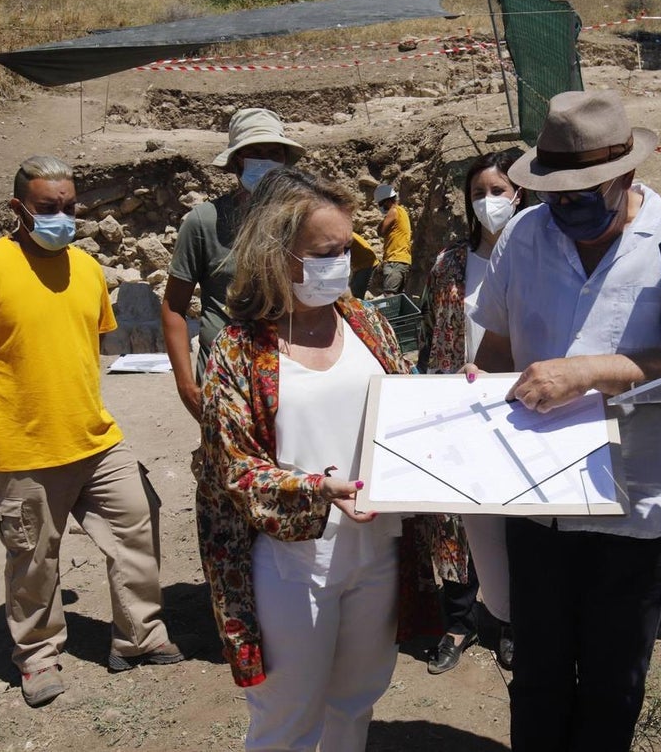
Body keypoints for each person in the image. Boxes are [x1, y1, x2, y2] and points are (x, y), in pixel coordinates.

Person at [467, 90, 661, 750]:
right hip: (536, 503)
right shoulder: (524, 236)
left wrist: (586, 371)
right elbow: (496, 351)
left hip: (633, 506)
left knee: (613, 689)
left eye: (585, 190)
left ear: (627, 175)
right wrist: (468, 409)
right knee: (536, 679)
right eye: (556, 191)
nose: (567, 204)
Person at [0, 156, 182, 709]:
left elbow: (84, 345)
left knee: (137, 522)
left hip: (94, 438)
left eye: (70, 207)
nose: (63, 218)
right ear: (19, 209)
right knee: (34, 558)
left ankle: (139, 637)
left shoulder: (88, 269)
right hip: (21, 450)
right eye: (49, 209)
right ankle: (38, 657)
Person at [196, 167, 434, 751]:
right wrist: (315, 491)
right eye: (325, 253)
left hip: (376, 553)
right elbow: (234, 466)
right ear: (277, 255)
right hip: (293, 564)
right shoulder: (241, 348)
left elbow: (405, 408)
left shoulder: (368, 324)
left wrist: (458, 395)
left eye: (346, 248)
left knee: (355, 701)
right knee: (288, 717)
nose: (342, 264)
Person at [416, 150, 526, 674]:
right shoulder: (449, 264)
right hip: (456, 406)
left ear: (521, 194)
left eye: (497, 191)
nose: (488, 202)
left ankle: (509, 622)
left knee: (510, 513)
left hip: (519, 405)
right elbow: (430, 335)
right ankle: (458, 622)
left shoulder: (537, 259)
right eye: (478, 193)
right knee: (453, 517)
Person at [161, 108, 305, 421]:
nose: (265, 160)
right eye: (254, 153)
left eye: (273, 153)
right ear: (236, 161)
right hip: (224, 375)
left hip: (291, 373)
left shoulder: (302, 220)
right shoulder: (204, 222)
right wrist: (186, 385)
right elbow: (174, 307)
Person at [374, 183, 412, 296]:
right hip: (403, 260)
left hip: (395, 259)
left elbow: (380, 231)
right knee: (397, 298)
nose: (381, 207)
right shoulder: (402, 212)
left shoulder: (394, 211)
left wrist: (380, 225)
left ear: (387, 201)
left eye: (381, 203)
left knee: (389, 297)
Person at [348, 231, 379, 299]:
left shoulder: (342, 235)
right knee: (354, 293)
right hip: (362, 265)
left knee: (356, 295)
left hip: (366, 264)